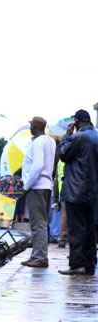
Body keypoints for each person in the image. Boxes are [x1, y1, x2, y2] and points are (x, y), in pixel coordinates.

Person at [57, 109, 98, 276]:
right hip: (93, 191)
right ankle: (89, 265)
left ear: (76, 122)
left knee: (76, 230)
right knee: (90, 229)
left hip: (77, 190)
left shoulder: (79, 137)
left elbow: (63, 154)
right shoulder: (96, 136)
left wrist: (67, 135)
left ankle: (76, 265)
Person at [20, 116, 56, 268]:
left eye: (31, 125)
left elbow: (37, 166)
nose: (29, 128)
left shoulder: (38, 142)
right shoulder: (50, 141)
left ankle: (39, 257)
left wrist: (27, 185)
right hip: (46, 185)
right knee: (42, 222)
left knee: (37, 223)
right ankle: (39, 255)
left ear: (35, 127)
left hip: (37, 186)